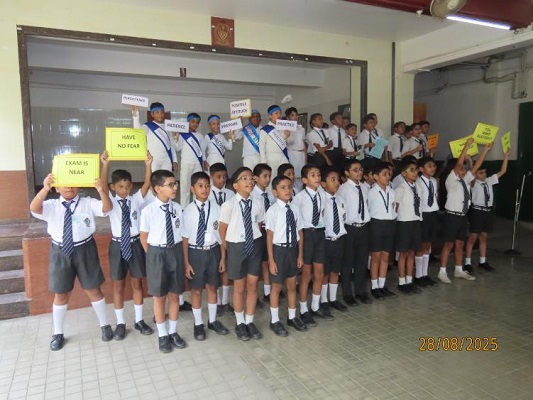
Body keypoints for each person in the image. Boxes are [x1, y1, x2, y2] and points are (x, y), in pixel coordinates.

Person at [30, 162, 113, 351]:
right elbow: (34, 209)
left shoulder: (87, 202)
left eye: (73, 182)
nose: (69, 186)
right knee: (61, 293)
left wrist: (101, 190)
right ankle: (58, 333)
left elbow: (106, 209)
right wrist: (45, 189)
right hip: (60, 252)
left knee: (93, 289)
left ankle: (105, 325)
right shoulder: (51, 205)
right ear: (56, 187)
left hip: (85, 249)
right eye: (64, 183)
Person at [100, 151, 154, 340]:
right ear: (113, 187)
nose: (124, 190)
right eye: (120, 186)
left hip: (135, 244)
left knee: (137, 283)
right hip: (117, 246)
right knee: (118, 285)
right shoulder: (110, 202)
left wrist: (148, 165)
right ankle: (121, 323)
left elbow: (147, 185)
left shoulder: (135, 200)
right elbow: (103, 187)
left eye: (127, 186)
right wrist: (105, 165)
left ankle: (139, 320)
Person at [140, 170, 187, 353]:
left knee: (175, 295)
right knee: (159, 297)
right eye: (170, 185)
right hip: (157, 253)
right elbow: (144, 238)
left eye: (175, 184)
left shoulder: (177, 208)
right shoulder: (148, 211)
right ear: (158, 189)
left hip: (175, 251)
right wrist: (154, 257)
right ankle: (162, 335)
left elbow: (182, 233)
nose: (175, 188)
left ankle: (173, 332)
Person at [219, 167, 265, 341]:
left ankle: (249, 321)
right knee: (239, 287)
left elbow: (258, 224)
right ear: (235, 185)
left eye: (251, 178)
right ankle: (240, 323)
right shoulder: (228, 205)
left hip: (254, 244)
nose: (249, 181)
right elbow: (222, 229)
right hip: (236, 246)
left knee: (252, 286)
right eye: (244, 178)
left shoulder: (258, 203)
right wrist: (228, 249)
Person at [182, 172, 230, 341]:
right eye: (200, 186)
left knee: (212, 287)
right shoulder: (187, 211)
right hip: (195, 252)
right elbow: (185, 238)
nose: (204, 189)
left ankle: (212, 321)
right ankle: (198, 324)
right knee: (196, 290)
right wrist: (186, 263)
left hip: (213, 251)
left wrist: (223, 257)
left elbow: (221, 236)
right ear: (192, 189)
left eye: (207, 186)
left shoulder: (217, 208)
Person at [438, 139, 493, 283]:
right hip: (452, 216)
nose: (464, 171)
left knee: (460, 244)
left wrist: (485, 150)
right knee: (448, 244)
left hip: (462, 217)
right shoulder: (451, 180)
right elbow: (458, 164)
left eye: (465, 169)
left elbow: (477, 166)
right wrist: (466, 147)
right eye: (462, 169)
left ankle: (458, 269)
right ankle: (442, 272)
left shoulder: (466, 180)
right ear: (454, 171)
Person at [292, 165, 334, 326]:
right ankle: (303, 309)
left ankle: (316, 306)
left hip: (319, 233)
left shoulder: (322, 195)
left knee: (319, 272)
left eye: (318, 174)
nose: (317, 177)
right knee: (306, 275)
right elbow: (296, 221)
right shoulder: (299, 198)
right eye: (312, 175)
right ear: (304, 180)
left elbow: (321, 213)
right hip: (307, 235)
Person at [265, 175, 307, 336]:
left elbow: (300, 233)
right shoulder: (272, 211)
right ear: (275, 192)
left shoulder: (295, 209)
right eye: (283, 188)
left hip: (292, 250)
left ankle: (292, 317)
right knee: (276, 287)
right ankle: (275, 320)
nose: (287, 190)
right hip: (279, 251)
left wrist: (300, 255)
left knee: (291, 285)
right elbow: (269, 236)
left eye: (289, 187)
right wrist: (271, 260)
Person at [464, 149, 510, 273]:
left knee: (484, 237)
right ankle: (467, 262)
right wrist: (470, 161)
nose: (483, 175)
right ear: (475, 174)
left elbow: (503, 171)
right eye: (481, 173)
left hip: (487, 211)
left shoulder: (489, 181)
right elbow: (472, 172)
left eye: (484, 172)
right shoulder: (473, 183)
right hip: (477, 211)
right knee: (473, 236)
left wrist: (506, 156)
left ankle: (482, 261)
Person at [337, 159, 372, 306]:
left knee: (362, 261)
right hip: (350, 228)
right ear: (347, 173)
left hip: (363, 227)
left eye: (361, 169)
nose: (359, 172)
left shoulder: (364, 187)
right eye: (355, 170)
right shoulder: (343, 189)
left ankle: (360, 291)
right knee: (348, 262)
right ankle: (347, 294)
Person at [208, 162, 235, 314]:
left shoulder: (230, 194)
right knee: (214, 270)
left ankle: (225, 301)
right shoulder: (206, 193)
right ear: (211, 177)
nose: (222, 180)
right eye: (218, 177)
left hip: (227, 235)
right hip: (213, 236)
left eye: (224, 177)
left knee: (226, 269)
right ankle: (217, 301)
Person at [320, 167, 348, 312]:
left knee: (335, 271)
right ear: (323, 183)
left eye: (337, 179)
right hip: (325, 240)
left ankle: (333, 299)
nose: (337, 182)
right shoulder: (320, 200)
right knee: (325, 272)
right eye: (332, 180)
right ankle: (323, 300)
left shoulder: (341, 200)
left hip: (339, 239)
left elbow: (343, 218)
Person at [367, 162, 397, 299]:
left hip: (389, 224)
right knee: (376, 257)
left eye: (389, 174)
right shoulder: (371, 192)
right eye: (384, 174)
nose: (388, 176)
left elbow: (394, 208)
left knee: (385, 256)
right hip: (376, 224)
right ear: (375, 177)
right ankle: (374, 286)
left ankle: (382, 284)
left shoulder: (392, 191)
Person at [394, 159, 423, 295]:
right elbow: (396, 207)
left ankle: (409, 280)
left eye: (416, 170)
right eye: (411, 170)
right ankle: (401, 282)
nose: (415, 173)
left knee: (412, 252)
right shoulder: (401, 189)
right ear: (404, 173)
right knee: (403, 253)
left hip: (415, 221)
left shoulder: (418, 187)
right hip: (404, 223)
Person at [251, 164, 275, 305]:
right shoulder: (252, 195)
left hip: (269, 231)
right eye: (264, 176)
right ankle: (253, 295)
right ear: (255, 178)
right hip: (257, 231)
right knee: (255, 264)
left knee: (267, 261)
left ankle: (267, 292)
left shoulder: (270, 195)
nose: (267, 179)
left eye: (269, 176)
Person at [414, 157, 439, 287]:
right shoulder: (417, 183)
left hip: (433, 213)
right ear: (421, 169)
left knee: (428, 245)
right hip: (423, 215)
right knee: (421, 245)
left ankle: (425, 274)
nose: (433, 168)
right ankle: (418, 275)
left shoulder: (434, 181)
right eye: (429, 166)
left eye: (434, 166)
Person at [132, 103, 178, 172]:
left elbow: (172, 145)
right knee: (154, 178)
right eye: (157, 112)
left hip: (167, 159)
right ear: (152, 114)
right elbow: (137, 132)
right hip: (153, 159)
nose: (160, 114)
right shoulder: (148, 126)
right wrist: (136, 116)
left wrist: (174, 160)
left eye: (162, 112)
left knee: (167, 177)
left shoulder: (168, 127)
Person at [176, 113, 207, 205]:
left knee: (197, 186)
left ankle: (197, 205)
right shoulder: (183, 134)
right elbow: (177, 148)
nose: (195, 124)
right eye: (193, 121)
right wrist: (176, 138)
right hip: (186, 164)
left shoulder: (200, 135)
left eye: (197, 122)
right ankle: (184, 207)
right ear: (188, 122)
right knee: (185, 187)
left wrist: (204, 160)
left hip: (198, 164)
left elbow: (202, 150)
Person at [259, 105, 291, 180]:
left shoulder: (284, 128)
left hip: (283, 156)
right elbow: (261, 145)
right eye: (276, 113)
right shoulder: (265, 129)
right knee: (272, 178)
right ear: (270, 116)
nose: (279, 115)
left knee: (285, 177)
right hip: (271, 158)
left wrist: (287, 136)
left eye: (280, 113)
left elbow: (287, 143)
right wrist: (263, 161)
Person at [285, 107, 306, 191]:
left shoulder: (301, 129)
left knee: (302, 176)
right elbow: (288, 142)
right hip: (292, 153)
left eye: (296, 115)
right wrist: (288, 134)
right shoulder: (286, 129)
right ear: (288, 118)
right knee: (293, 176)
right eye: (292, 115)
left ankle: (300, 192)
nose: (295, 117)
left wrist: (305, 158)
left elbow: (303, 143)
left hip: (301, 154)